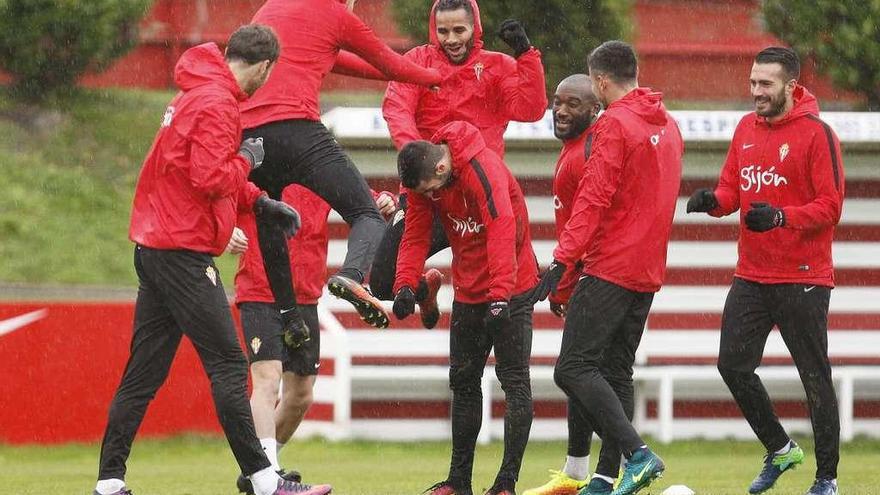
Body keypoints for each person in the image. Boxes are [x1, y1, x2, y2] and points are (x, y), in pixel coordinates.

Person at [93, 26, 331, 495]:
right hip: (182, 253)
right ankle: (266, 482)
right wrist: (246, 158)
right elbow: (210, 176)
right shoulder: (219, 103)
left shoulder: (194, 94)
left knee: (142, 375)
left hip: (156, 247)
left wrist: (260, 202)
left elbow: (195, 170)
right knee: (226, 364)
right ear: (264, 67)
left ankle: (109, 482)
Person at [685, 46, 844, 495]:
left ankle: (826, 478)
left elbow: (831, 206)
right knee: (732, 366)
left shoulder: (817, 134)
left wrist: (781, 217)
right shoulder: (744, 128)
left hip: (804, 277)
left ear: (790, 87)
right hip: (752, 276)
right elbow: (732, 191)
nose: (756, 91)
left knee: (814, 378)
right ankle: (780, 448)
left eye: (765, 84)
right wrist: (711, 203)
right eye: (753, 82)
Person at [531, 40, 683, 495]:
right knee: (617, 371)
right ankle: (604, 477)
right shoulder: (669, 123)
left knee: (573, 368)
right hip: (648, 268)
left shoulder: (614, 125)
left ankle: (638, 455)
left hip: (610, 265)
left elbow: (594, 199)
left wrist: (562, 262)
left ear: (599, 81)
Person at [241, 0, 442, 341]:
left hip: (249, 134)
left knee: (270, 221)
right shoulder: (332, 12)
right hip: (298, 129)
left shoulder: (271, 9)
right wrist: (435, 77)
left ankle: (290, 316)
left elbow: (344, 61)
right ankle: (351, 274)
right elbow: (386, 60)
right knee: (366, 213)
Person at [369, 0, 547, 328]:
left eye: (458, 30)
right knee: (383, 282)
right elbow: (397, 108)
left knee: (520, 276)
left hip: (480, 193)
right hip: (428, 190)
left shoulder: (496, 66)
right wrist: (420, 161)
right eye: (443, 31)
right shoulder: (418, 62)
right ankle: (425, 289)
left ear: (474, 29)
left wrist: (526, 55)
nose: (451, 39)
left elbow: (531, 108)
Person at [393, 121, 538, 495]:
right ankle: (459, 483)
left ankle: (506, 483)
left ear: (440, 168)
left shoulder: (482, 168)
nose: (428, 196)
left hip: (513, 289)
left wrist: (502, 293)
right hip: (469, 293)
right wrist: (405, 284)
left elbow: (503, 225)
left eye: (428, 189)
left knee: (514, 382)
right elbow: (415, 233)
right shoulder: (427, 182)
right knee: (463, 382)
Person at [230, 185, 397, 494]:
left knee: (301, 395)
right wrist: (226, 231)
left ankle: (258, 473)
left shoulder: (317, 168)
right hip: (260, 289)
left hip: (305, 295)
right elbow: (219, 193)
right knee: (267, 379)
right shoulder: (259, 162)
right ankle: (268, 477)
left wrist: (385, 200)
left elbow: (363, 199)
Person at [524, 74, 623, 495]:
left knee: (588, 371)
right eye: (557, 102)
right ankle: (579, 472)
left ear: (594, 110)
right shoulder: (570, 150)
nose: (561, 111)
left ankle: (616, 468)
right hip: (582, 275)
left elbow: (590, 222)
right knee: (587, 372)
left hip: (601, 275)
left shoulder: (589, 152)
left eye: (573, 104)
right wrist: (564, 287)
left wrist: (567, 277)